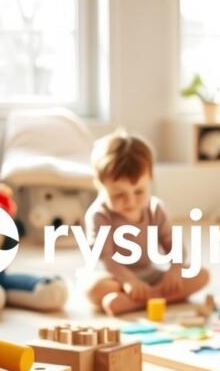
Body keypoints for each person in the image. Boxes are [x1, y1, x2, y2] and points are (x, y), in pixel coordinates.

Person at [84, 129, 209, 315]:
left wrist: (174, 270)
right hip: (113, 277)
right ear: (100, 186)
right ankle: (159, 298)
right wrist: (128, 281)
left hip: (148, 274)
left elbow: (173, 245)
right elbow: (107, 260)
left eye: (139, 192)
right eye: (119, 194)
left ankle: (140, 301)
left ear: (150, 180)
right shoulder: (99, 215)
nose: (130, 202)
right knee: (95, 290)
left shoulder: (155, 209)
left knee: (200, 274)